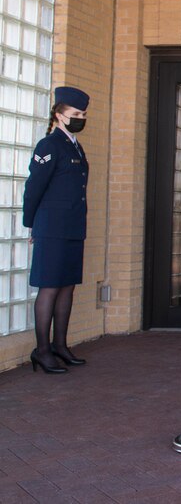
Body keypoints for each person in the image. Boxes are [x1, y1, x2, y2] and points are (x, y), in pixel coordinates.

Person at [22, 86, 91, 374]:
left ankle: (60, 345)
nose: (81, 118)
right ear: (59, 115)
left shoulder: (74, 144)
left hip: (73, 226)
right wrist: (31, 224)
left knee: (66, 286)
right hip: (51, 227)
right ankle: (42, 350)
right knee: (49, 287)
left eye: (84, 114)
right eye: (75, 114)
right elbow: (34, 188)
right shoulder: (49, 146)